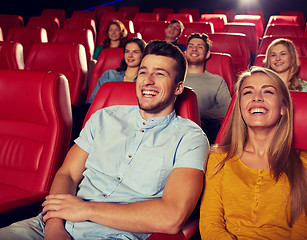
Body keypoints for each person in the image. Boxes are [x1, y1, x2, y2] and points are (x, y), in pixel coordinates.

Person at [0, 40, 209, 240]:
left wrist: (86, 209)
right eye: (143, 72)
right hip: (49, 225)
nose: (147, 80)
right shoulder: (104, 117)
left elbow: (172, 217)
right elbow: (68, 174)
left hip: (115, 234)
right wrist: (54, 225)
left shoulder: (190, 138)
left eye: (160, 74)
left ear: (178, 87)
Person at [199, 67, 307, 239]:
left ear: (283, 108)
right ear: (240, 107)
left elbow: (305, 231)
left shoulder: (305, 163)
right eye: (248, 92)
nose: (257, 98)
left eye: (268, 92)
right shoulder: (219, 159)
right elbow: (210, 224)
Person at [184, 33, 232, 144]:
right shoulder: (174, 77)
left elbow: (227, 109)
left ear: (207, 54)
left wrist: (198, 114)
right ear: (185, 53)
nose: (194, 49)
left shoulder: (217, 80)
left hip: (203, 129)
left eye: (200, 47)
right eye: (191, 46)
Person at [87, 37, 146, 104]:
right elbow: (92, 102)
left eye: (135, 52)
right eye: (127, 51)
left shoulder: (145, 79)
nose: (130, 55)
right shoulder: (109, 75)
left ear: (143, 55)